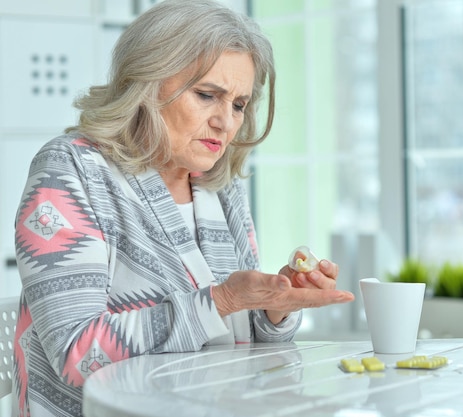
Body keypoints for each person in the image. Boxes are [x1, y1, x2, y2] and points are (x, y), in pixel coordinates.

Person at [11, 1, 355, 416]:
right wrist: (223, 300)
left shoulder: (219, 187)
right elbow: (76, 355)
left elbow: (241, 353)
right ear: (146, 82)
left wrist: (273, 307)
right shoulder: (71, 171)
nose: (226, 122)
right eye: (208, 95)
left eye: (239, 105)